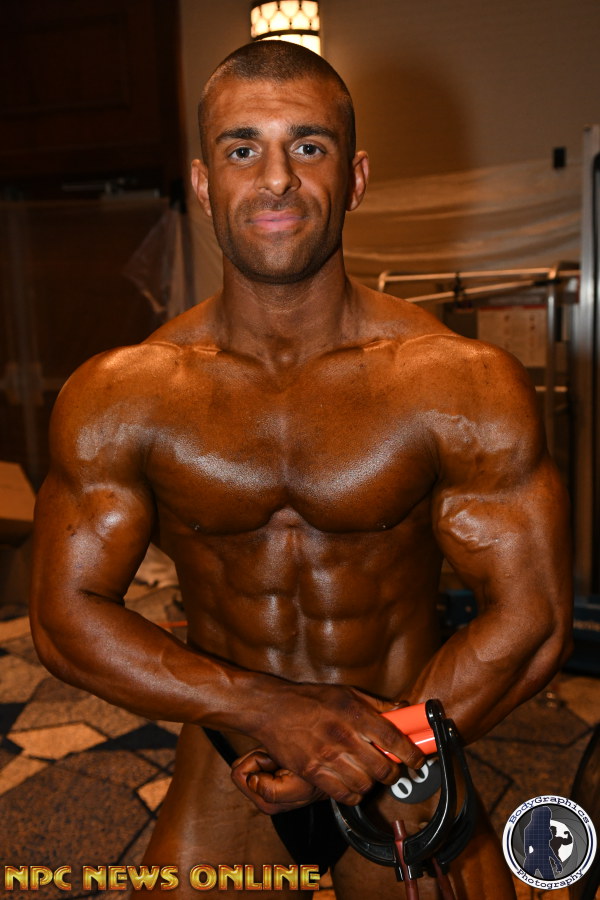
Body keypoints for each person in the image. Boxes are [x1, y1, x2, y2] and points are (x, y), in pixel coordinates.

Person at [29, 41, 572, 899]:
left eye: (307, 146)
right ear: (204, 183)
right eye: (243, 149)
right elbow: (64, 616)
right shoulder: (123, 394)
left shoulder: (458, 383)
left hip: (407, 745)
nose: (276, 178)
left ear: (354, 178)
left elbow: (532, 619)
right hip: (233, 754)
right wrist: (269, 710)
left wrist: (371, 750)